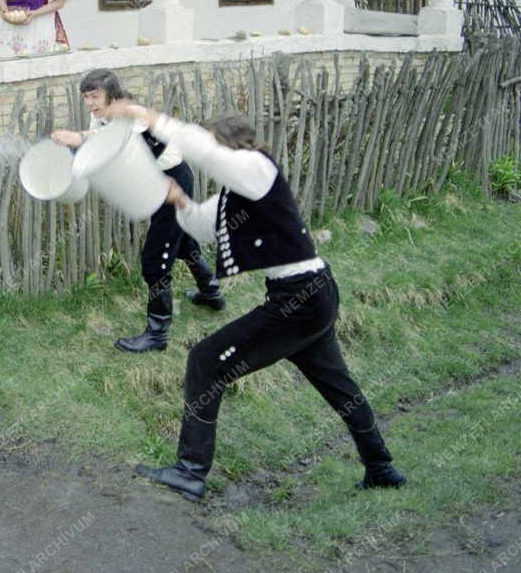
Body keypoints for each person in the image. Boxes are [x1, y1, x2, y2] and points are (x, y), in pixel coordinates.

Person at [104, 102, 406, 501]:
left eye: (212, 143)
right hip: (308, 296)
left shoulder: (256, 167)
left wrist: (152, 118)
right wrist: (179, 201)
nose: (210, 154)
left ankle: (190, 472)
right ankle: (381, 467)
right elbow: (204, 225)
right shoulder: (241, 189)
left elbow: (205, 153)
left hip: (300, 298)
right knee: (338, 386)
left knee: (205, 361)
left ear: (227, 144)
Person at [51, 69, 224, 354]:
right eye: (86, 97)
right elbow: (100, 142)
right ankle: (211, 292)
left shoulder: (133, 114)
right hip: (152, 182)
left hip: (172, 182)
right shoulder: (100, 117)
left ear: (112, 94)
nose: (89, 103)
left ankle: (157, 334)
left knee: (156, 258)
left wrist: (78, 137)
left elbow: (117, 141)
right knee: (182, 242)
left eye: (94, 96)